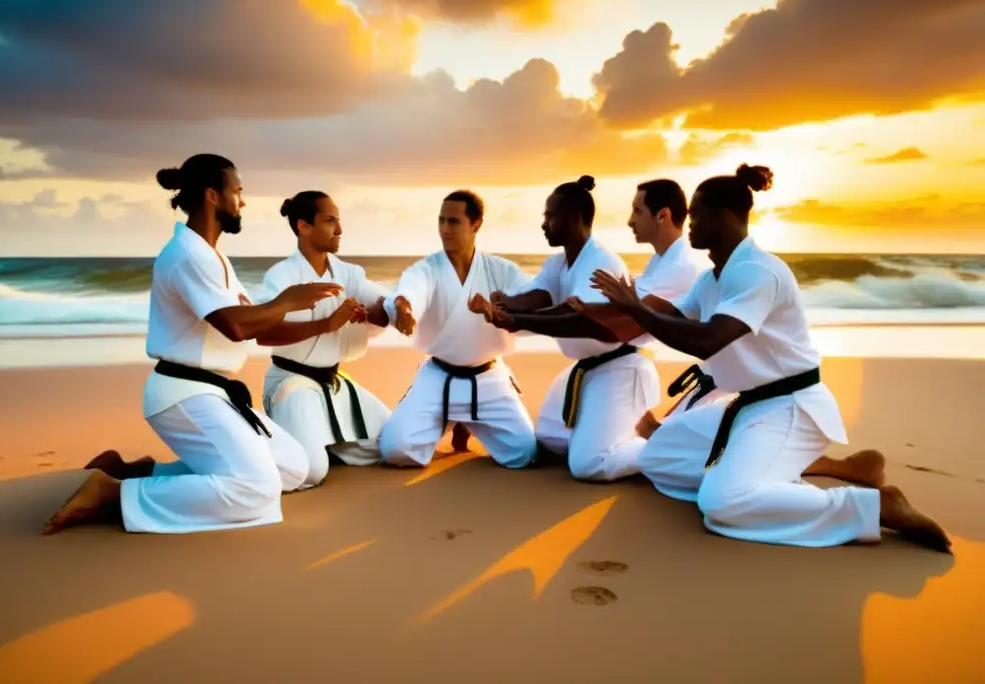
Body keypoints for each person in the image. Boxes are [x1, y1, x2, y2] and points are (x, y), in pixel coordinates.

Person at [589, 163, 950, 552]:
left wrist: (635, 309)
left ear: (725, 217)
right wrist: (618, 310)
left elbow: (710, 340)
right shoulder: (711, 279)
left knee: (721, 503)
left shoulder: (757, 272)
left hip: (790, 407)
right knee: (658, 457)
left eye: (696, 214)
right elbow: (668, 321)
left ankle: (875, 506)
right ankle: (771, 483)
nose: (688, 223)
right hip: (746, 407)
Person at [42, 154, 340, 535]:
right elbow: (232, 325)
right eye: (238, 191)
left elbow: (258, 329)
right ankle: (113, 494)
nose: (243, 201)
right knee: (257, 487)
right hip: (183, 394)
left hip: (216, 394)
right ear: (213, 196)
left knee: (298, 467)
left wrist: (324, 324)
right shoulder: (185, 255)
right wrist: (287, 300)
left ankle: (144, 471)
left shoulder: (215, 258)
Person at [480, 175, 663, 482]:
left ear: (575, 217)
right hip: (585, 371)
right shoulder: (558, 263)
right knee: (549, 439)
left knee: (589, 464)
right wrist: (505, 304)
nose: (544, 224)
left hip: (621, 370)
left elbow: (579, 319)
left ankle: (666, 448)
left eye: (550, 216)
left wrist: (518, 320)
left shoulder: (600, 262)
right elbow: (539, 296)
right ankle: (624, 427)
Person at [378, 190, 538, 469]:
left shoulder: (501, 270)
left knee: (523, 452)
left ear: (476, 225)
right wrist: (404, 307)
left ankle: (468, 420)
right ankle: (453, 419)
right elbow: (411, 290)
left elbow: (532, 298)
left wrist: (497, 310)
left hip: (488, 378)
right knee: (396, 450)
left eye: (454, 222)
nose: (444, 229)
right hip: (439, 377)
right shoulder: (428, 268)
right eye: (441, 220)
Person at [258, 191, 392, 483]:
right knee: (312, 472)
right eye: (330, 221)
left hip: (333, 382)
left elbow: (385, 303)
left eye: (338, 220)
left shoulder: (347, 273)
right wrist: (327, 324)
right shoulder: (281, 276)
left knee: (392, 446)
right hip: (291, 382)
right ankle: (256, 435)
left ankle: (318, 438)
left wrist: (393, 308)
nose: (340, 229)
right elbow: (264, 334)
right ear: (304, 226)